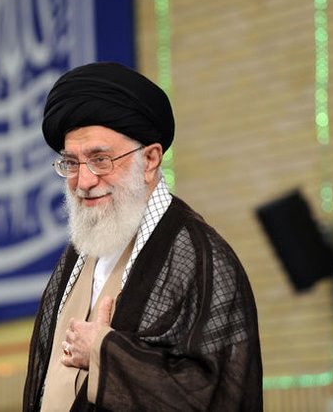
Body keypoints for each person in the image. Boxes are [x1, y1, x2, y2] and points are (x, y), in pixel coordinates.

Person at [23, 62, 263, 411]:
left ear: (150, 159)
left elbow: (216, 393)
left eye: (100, 159)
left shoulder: (199, 258)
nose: (83, 181)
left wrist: (105, 354)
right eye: (71, 163)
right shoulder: (78, 257)